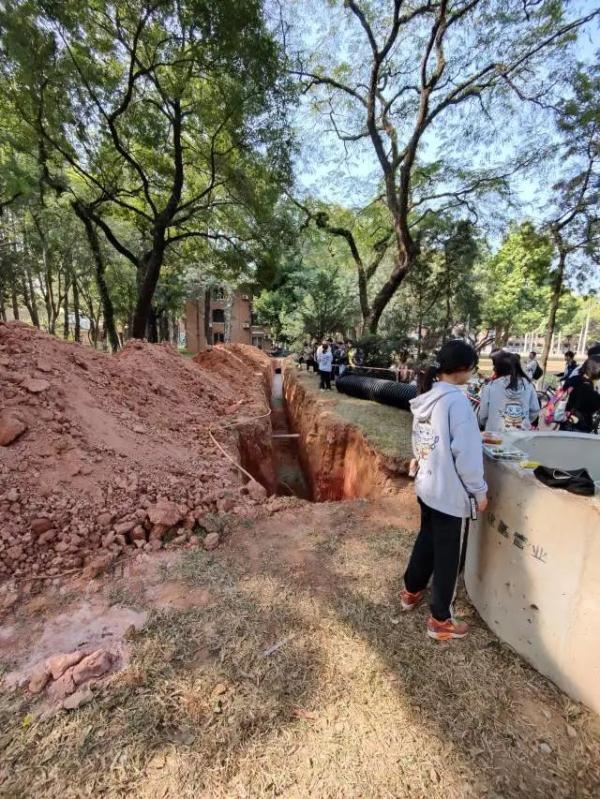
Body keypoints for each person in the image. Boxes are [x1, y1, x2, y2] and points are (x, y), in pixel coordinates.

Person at [401, 340, 488, 641]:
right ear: (463, 369)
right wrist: (479, 490)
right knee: (449, 556)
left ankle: (411, 590)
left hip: (426, 486)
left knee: (427, 539)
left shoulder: (428, 396)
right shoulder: (457, 402)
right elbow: (466, 452)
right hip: (449, 494)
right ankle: (440, 620)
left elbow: (418, 438)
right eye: (473, 368)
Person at [478, 352, 539, 432]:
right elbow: (534, 410)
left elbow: (483, 414)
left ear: (498, 368)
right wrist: (524, 422)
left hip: (495, 436)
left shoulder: (491, 386)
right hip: (522, 436)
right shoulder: (528, 386)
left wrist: (491, 423)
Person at [560, 358, 600, 433]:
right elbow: (594, 406)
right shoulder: (587, 387)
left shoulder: (573, 379)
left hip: (565, 423)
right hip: (578, 428)